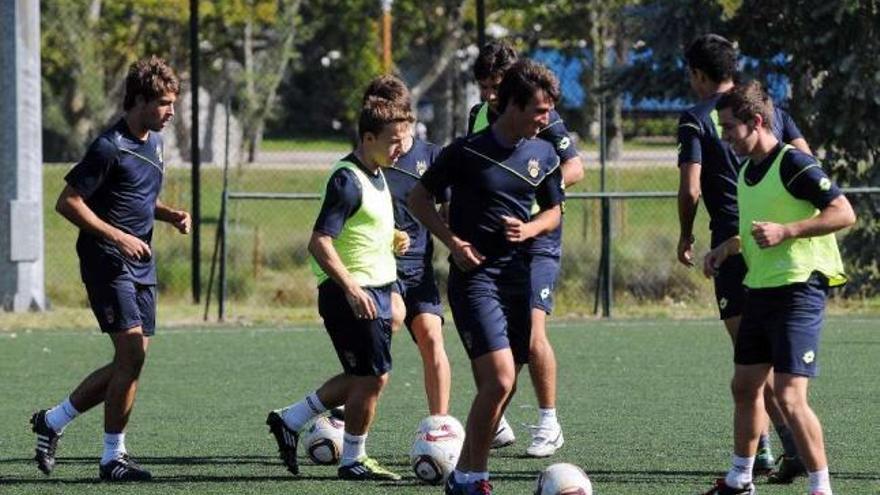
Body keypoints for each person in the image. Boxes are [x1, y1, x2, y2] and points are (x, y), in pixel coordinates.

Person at [409, 59, 565, 495]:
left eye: (550, 110)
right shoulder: (464, 152)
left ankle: (463, 475)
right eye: (539, 110)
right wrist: (453, 243)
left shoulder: (545, 152)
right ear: (512, 105)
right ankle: (474, 478)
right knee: (498, 380)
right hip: (475, 280)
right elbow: (419, 199)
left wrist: (530, 228)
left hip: (518, 277)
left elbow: (554, 212)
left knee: (503, 385)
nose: (546, 119)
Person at [31, 55, 190, 482]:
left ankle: (54, 421)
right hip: (107, 261)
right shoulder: (109, 146)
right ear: (138, 100)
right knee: (131, 354)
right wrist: (117, 237)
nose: (171, 111)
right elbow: (68, 202)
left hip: (140, 263)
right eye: (163, 103)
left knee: (131, 361)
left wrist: (169, 214)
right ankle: (111, 458)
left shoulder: (154, 144)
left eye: (173, 102)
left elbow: (133, 198)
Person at [701, 80, 855, 495]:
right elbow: (758, 232)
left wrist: (789, 230)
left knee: (788, 396)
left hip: (799, 289)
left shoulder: (794, 163)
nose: (725, 136)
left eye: (730, 127)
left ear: (756, 121)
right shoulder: (749, 170)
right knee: (745, 385)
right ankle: (739, 479)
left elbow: (844, 212)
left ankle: (822, 489)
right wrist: (726, 249)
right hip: (762, 288)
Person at [265, 83, 414, 482]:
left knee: (366, 377)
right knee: (372, 379)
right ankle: (353, 460)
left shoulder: (378, 174)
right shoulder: (347, 179)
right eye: (394, 141)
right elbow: (319, 241)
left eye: (406, 139)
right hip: (352, 295)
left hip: (377, 289)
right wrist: (351, 288)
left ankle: (291, 419)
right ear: (369, 138)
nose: (402, 148)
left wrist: (393, 239)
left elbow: (358, 232)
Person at [677, 33, 811, 479]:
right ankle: (777, 450)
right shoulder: (769, 110)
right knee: (772, 359)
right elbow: (807, 161)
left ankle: (778, 450)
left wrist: (684, 235)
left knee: (750, 359)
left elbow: (692, 187)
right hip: (775, 242)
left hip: (731, 244)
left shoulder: (697, 117)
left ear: (698, 74)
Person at [468, 40, 585, 457]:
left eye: (496, 85)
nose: (489, 95)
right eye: (484, 86)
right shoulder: (478, 116)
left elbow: (574, 167)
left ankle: (549, 422)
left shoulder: (543, 117)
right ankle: (496, 419)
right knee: (497, 335)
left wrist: (532, 192)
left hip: (537, 238)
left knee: (533, 335)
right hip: (496, 243)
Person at [363, 76, 452, 416]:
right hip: (378, 270)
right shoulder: (366, 161)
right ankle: (349, 411)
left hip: (418, 269)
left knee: (432, 337)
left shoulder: (432, 157)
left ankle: (440, 425)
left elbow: (447, 212)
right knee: (390, 326)